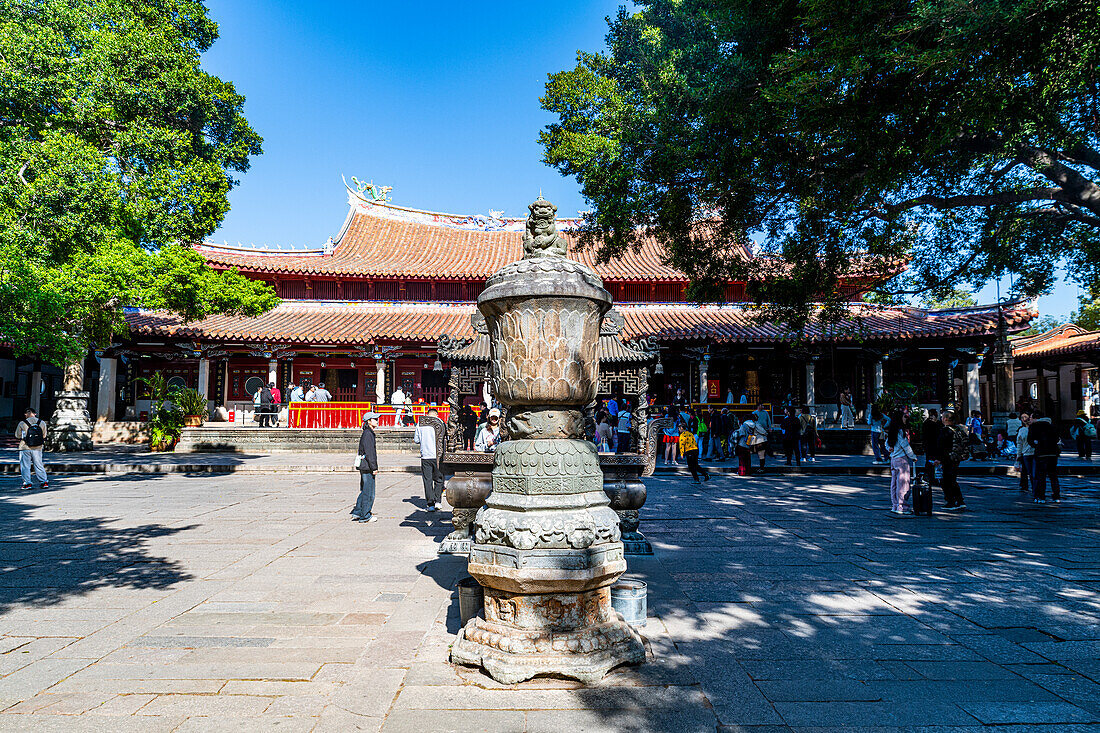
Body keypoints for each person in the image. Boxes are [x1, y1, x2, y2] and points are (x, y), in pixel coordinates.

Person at [935, 410, 968, 511]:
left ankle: (951, 501)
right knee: (953, 480)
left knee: (946, 480)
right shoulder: (957, 429)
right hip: (956, 457)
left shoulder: (945, 431)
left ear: (945, 419)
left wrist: (938, 459)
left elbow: (941, 446)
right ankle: (960, 501)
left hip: (947, 458)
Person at [885, 410, 917, 515]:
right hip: (902, 459)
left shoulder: (892, 431)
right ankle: (902, 506)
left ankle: (895, 505)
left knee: (894, 484)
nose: (906, 419)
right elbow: (905, 446)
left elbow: (887, 444)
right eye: (904, 417)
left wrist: (889, 448)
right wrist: (913, 456)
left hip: (893, 459)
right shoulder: (900, 432)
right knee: (903, 483)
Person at [414, 408, 445, 511]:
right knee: (439, 479)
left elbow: (416, 440)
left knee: (427, 480)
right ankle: (438, 501)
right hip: (438, 456)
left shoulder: (420, 424)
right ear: (436, 415)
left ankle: (430, 504)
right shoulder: (440, 422)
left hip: (425, 455)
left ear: (427, 415)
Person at [1027, 410, 1061, 503]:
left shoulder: (1034, 426)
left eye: (1031, 418)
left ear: (1035, 418)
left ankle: (1041, 497)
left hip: (1041, 453)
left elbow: (1030, 440)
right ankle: (1056, 496)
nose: (1030, 420)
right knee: (1053, 476)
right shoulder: (1052, 426)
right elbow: (1057, 438)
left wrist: (1037, 445)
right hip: (1053, 453)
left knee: (1041, 476)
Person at [352, 412, 379, 522]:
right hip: (367, 466)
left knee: (365, 490)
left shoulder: (367, 433)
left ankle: (358, 511)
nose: (377, 421)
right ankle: (365, 515)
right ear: (369, 421)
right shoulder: (368, 434)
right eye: (374, 419)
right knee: (369, 491)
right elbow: (370, 453)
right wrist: (374, 467)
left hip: (365, 465)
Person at [16, 407, 48, 490]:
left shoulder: (22, 423)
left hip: (25, 447)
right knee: (38, 464)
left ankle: (27, 483)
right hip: (38, 447)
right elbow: (44, 435)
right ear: (35, 414)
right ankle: (44, 482)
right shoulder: (42, 423)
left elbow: (17, 435)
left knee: (25, 466)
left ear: (26, 414)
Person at [922, 409, 941, 484]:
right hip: (933, 445)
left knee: (930, 461)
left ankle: (930, 477)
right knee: (931, 461)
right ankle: (931, 477)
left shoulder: (927, 423)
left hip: (930, 445)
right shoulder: (932, 424)